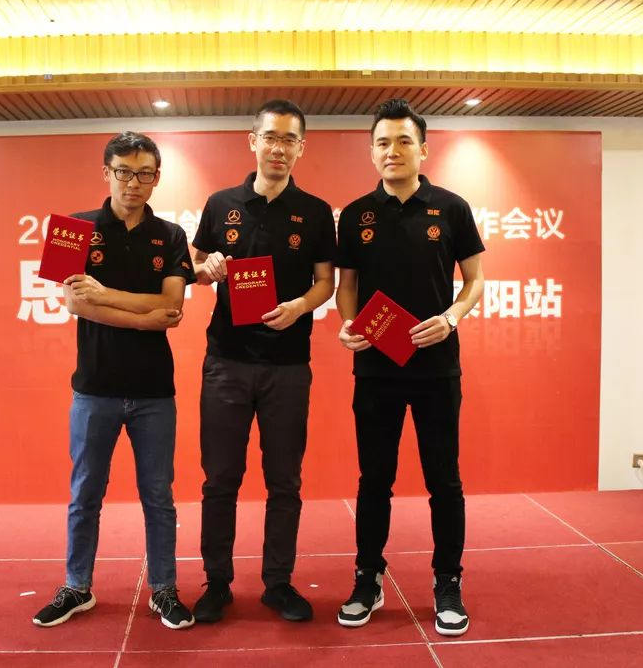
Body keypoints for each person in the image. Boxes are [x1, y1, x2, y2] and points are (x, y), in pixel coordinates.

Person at [33, 131, 196, 631]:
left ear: (156, 178)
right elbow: (74, 303)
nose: (133, 182)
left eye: (144, 173)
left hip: (154, 392)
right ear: (107, 172)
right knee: (85, 493)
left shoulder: (171, 235)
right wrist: (145, 318)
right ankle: (76, 586)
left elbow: (173, 305)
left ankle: (164, 589)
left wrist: (105, 295)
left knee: (159, 497)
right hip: (94, 388)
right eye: (123, 171)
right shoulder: (75, 228)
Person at [334, 98, 485, 636]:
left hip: (436, 368)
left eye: (403, 141)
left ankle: (448, 581)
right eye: (382, 142)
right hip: (376, 369)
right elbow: (347, 286)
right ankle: (367, 578)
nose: (392, 151)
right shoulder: (356, 215)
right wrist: (347, 325)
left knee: (444, 480)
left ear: (423, 149)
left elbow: (475, 282)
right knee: (374, 479)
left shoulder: (452, 208)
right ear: (371, 151)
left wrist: (450, 318)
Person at [189, 100, 336, 623]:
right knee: (219, 480)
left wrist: (299, 306)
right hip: (226, 362)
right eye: (270, 137)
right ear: (252, 141)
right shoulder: (221, 203)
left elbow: (326, 282)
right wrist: (205, 266)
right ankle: (217, 583)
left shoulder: (315, 212)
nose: (279, 148)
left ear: (301, 147)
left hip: (288, 365)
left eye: (289, 139)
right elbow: (195, 261)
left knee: (284, 481)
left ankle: (278, 583)